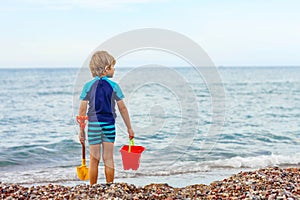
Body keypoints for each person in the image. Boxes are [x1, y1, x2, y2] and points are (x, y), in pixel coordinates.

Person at [77, 50, 134, 185]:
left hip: (94, 126)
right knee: (108, 158)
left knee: (94, 158)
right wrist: (129, 128)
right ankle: (109, 186)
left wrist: (81, 131)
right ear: (106, 68)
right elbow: (122, 108)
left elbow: (82, 110)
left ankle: (93, 187)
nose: (114, 70)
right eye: (113, 67)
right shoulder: (114, 86)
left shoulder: (88, 86)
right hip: (109, 125)